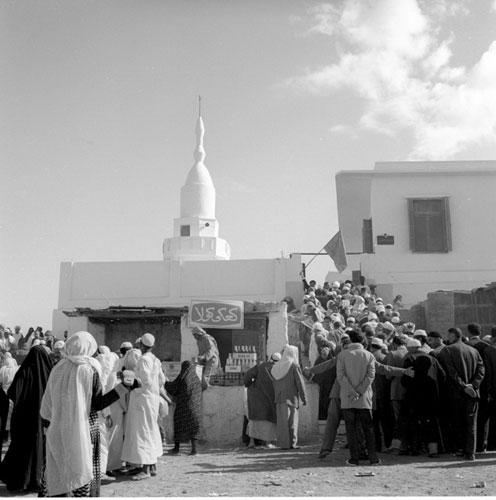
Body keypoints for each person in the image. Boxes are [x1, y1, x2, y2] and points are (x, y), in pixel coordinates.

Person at [40, 331, 129, 497]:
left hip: (57, 428)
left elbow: (46, 406)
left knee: (59, 472)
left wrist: (50, 427)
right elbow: (97, 404)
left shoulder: (57, 368)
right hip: (85, 429)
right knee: (82, 469)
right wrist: (123, 388)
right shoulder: (90, 369)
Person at [0, 346, 54, 492]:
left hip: (23, 418)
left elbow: (12, 393)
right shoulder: (51, 373)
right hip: (44, 418)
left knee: (22, 448)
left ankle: (20, 481)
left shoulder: (24, 371)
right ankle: (37, 481)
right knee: (39, 448)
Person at [121, 333, 165, 480]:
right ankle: (151, 467)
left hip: (142, 399)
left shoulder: (144, 360)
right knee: (150, 430)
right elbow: (161, 380)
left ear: (141, 345)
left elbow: (144, 381)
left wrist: (129, 381)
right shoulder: (156, 360)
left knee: (142, 432)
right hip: (151, 400)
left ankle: (145, 469)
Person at [437, 327, 485, 461]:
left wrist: (464, 386)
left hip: (456, 393)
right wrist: (473, 385)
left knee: (458, 423)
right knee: (471, 423)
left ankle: (461, 449)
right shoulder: (474, 351)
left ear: (452, 336)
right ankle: (470, 452)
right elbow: (481, 370)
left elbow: (450, 372)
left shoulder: (447, 350)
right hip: (473, 393)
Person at [336, 329, 379, 466]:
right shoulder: (369, 355)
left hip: (348, 399)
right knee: (368, 430)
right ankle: (373, 458)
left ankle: (354, 459)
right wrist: (360, 391)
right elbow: (370, 376)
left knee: (351, 430)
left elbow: (341, 376)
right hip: (364, 399)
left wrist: (352, 391)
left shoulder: (342, 355)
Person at [401, 338, 446, 457]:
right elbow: (443, 376)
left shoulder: (410, 359)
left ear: (410, 348)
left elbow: (404, 381)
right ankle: (433, 450)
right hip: (431, 399)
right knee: (431, 425)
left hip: (412, 399)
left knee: (413, 423)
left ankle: (414, 448)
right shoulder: (432, 360)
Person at [466, 323, 496, 452]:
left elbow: (487, 372)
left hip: (490, 390)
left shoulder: (489, 351)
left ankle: (483, 445)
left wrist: (487, 390)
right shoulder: (487, 348)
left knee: (483, 418)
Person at [271, 345, 307, 450]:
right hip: (292, 398)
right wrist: (304, 398)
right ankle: (292, 443)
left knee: (282, 423)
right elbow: (300, 383)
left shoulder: (276, 367)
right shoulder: (294, 366)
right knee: (292, 423)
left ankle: (283, 444)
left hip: (279, 398)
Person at [165, 360, 204, 455]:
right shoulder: (197, 379)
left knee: (178, 424)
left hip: (183, 408)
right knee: (194, 428)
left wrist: (165, 381)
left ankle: (176, 449)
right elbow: (205, 386)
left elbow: (172, 387)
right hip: (196, 409)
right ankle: (194, 450)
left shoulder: (182, 378)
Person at [243, 352, 281, 448]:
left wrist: (249, 385)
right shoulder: (280, 368)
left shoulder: (261, 366)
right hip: (271, 398)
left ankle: (251, 442)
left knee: (254, 419)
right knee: (269, 420)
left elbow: (248, 375)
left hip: (257, 397)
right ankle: (268, 443)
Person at [0, 353, 18, 443]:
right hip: (13, 393)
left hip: (4, 392)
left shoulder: (2, 369)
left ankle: (5, 436)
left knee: (5, 416)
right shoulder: (16, 369)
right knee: (12, 415)